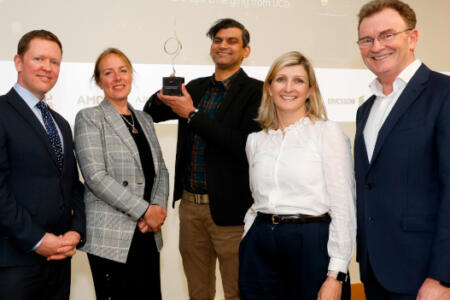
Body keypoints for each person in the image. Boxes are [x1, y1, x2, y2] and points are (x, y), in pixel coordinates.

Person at [144, 18, 263, 300]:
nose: (223, 46)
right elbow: (151, 113)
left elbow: (244, 145)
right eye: (218, 40)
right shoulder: (195, 88)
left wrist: (192, 115)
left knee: (237, 292)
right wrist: (166, 92)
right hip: (190, 208)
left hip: (232, 213)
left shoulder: (257, 91)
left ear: (246, 50)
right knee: (198, 293)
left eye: (232, 41)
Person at [238, 51, 355, 300]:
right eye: (280, 79)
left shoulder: (327, 133)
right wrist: (249, 236)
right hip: (260, 247)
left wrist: (337, 274)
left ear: (310, 90)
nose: (288, 88)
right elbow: (256, 199)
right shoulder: (255, 141)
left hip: (311, 244)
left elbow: (343, 207)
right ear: (269, 87)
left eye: (298, 81)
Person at [354, 1, 450, 299]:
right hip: (374, 271)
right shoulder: (366, 108)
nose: (377, 46)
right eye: (367, 39)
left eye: (387, 35)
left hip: (424, 275)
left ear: (413, 38)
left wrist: (442, 277)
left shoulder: (443, 94)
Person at [74, 48, 169, 300]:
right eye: (108, 72)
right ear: (98, 81)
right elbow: (95, 176)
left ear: (131, 75)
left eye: (123, 70)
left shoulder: (145, 120)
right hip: (112, 237)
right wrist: (145, 211)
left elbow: (161, 171)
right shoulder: (90, 117)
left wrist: (158, 209)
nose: (117, 78)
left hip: (147, 232)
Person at [0, 30, 85, 300]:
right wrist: (37, 240)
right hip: (14, 261)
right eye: (38, 58)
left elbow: (72, 185)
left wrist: (76, 231)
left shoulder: (60, 123)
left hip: (59, 259)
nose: (47, 68)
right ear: (18, 62)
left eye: (55, 62)